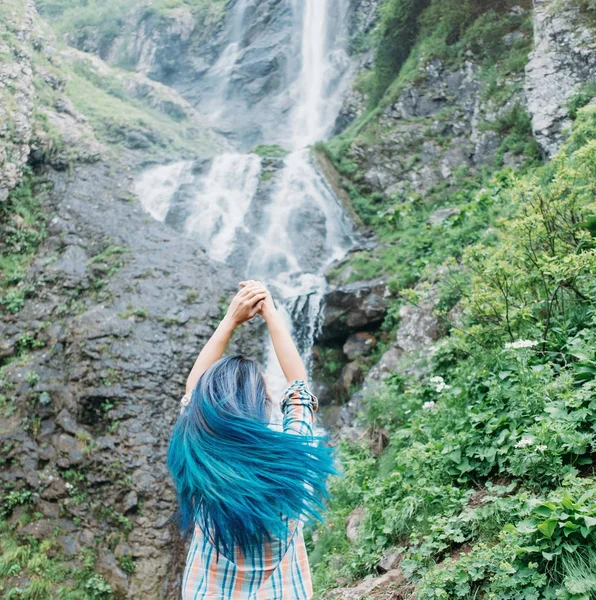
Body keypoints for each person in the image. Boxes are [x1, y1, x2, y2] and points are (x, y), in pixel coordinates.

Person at [167, 280, 337, 599]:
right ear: (263, 401)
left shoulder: (199, 461)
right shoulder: (291, 462)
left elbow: (192, 389)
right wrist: (271, 314)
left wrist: (231, 319)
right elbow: (299, 385)